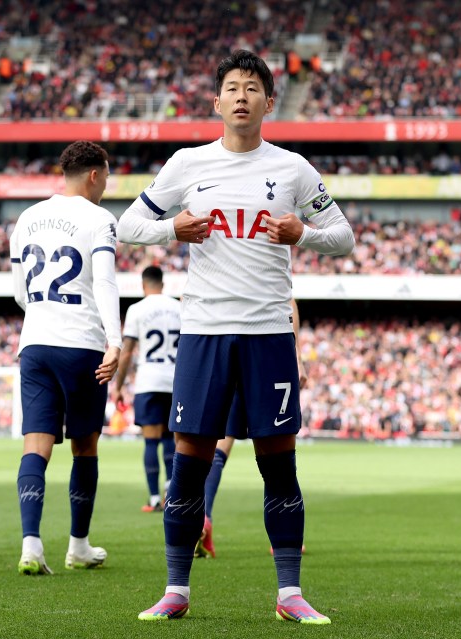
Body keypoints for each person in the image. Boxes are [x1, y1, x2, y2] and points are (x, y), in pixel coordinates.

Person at [118, 49, 354, 624]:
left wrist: (303, 233)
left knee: (279, 463)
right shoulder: (187, 164)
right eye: (232, 87)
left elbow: (343, 235)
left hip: (268, 332)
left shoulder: (294, 169)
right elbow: (127, 226)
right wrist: (171, 228)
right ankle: (176, 588)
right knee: (190, 460)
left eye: (253, 87)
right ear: (217, 101)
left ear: (269, 103)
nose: (242, 95)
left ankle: (290, 594)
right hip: (202, 332)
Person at [8, 140, 121, 575]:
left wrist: (42, 315)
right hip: (83, 344)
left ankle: (31, 545)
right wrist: (115, 340)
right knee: (84, 446)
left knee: (35, 446)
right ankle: (78, 545)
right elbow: (105, 283)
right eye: (107, 176)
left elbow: (19, 291)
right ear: (94, 174)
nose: (106, 185)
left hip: (34, 342)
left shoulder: (27, 217)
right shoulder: (98, 219)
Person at [197, 299, 305, 559]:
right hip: (264, 348)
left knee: (221, 445)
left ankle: (204, 518)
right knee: (277, 446)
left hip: (224, 344)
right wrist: (297, 355)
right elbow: (288, 299)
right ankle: (284, 536)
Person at [109, 265, 180, 513]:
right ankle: (172, 496)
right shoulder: (178, 307)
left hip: (149, 382)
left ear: (143, 284)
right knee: (171, 438)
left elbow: (127, 352)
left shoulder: (137, 310)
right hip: (174, 381)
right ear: (163, 284)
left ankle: (153, 499)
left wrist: (118, 386)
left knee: (151, 442)